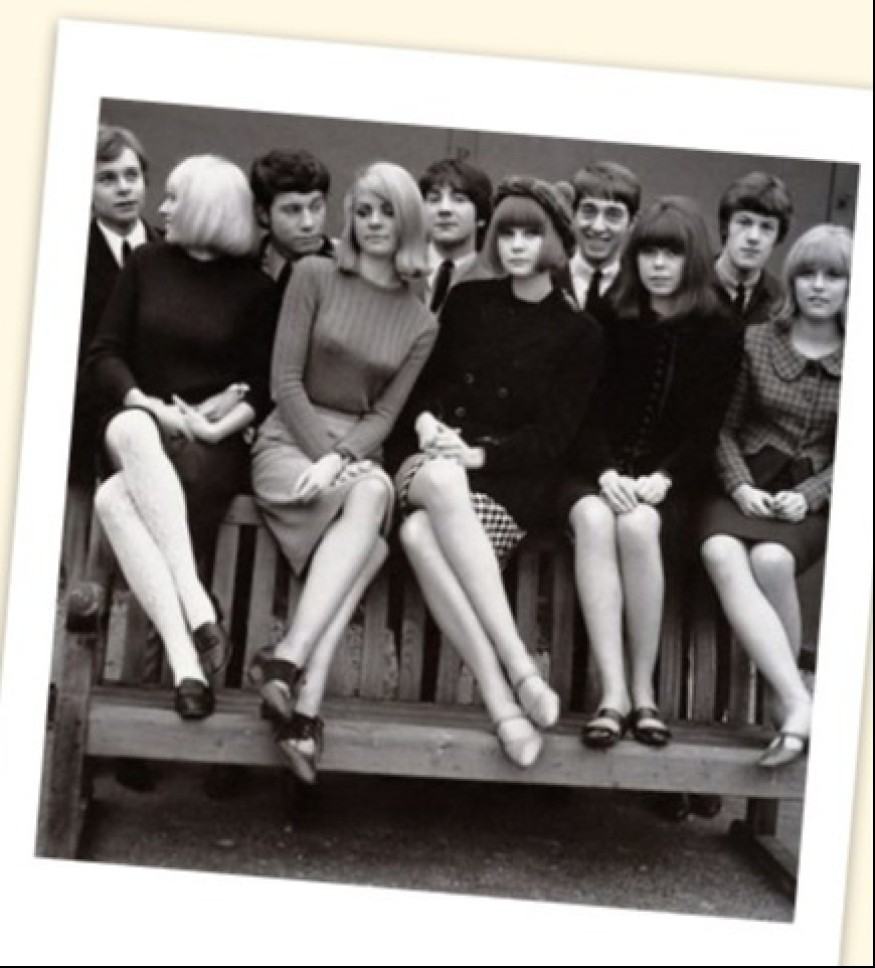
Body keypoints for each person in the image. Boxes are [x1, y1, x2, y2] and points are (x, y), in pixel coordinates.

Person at [389, 176, 604, 768]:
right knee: (440, 482)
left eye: (530, 234)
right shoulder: (468, 302)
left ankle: (502, 705)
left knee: (418, 534)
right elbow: (421, 389)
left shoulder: (580, 333)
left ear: (555, 242)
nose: (516, 245)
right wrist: (429, 426)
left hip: (506, 481)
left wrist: (481, 455)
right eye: (507, 233)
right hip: (432, 463)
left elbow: (555, 437)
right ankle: (519, 666)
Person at [248, 161, 438, 784]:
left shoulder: (421, 320)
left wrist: (341, 458)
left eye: (387, 212)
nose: (373, 222)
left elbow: (385, 413)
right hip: (288, 442)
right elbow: (284, 382)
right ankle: (301, 706)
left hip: (354, 456)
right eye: (363, 211)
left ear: (408, 222)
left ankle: (289, 667)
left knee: (373, 494)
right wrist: (322, 454)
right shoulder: (314, 275)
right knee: (369, 547)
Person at [85, 154, 278, 720]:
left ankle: (188, 668)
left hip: (206, 443)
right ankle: (198, 607)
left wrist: (210, 423)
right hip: (140, 425)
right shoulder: (146, 264)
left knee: (111, 499)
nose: (161, 208)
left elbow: (262, 385)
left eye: (174, 197)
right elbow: (104, 354)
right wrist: (147, 404)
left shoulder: (255, 288)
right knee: (129, 426)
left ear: (207, 208)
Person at [560, 196, 742, 750]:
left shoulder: (720, 330)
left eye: (672, 253)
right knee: (596, 518)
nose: (658, 265)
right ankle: (613, 694)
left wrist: (665, 478)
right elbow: (582, 411)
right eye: (648, 253)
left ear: (694, 259)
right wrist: (605, 472)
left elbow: (706, 429)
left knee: (639, 525)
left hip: (670, 484)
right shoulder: (608, 317)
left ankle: (644, 691)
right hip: (593, 472)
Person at [699, 224, 850, 768]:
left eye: (834, 275)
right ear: (792, 280)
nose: (818, 286)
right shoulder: (758, 340)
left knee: (771, 559)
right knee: (720, 550)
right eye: (808, 273)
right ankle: (797, 703)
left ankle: (782, 706)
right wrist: (739, 485)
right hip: (742, 483)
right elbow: (722, 427)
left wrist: (810, 495)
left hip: (810, 498)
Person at [64, 126, 158, 575]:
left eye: (131, 175)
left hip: (151, 417)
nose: (124, 188)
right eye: (107, 178)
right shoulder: (69, 254)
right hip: (83, 423)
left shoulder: (168, 252)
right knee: (81, 569)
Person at [558, 160, 641, 317]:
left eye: (613, 215)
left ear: (632, 223)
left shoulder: (642, 290)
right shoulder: (546, 282)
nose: (598, 227)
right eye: (589, 211)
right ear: (571, 214)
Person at [249, 148, 335, 293]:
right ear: (263, 214)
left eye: (316, 207)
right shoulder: (241, 272)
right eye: (293, 210)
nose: (308, 223)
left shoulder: (351, 270)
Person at [714, 171, 794, 325]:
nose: (754, 237)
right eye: (744, 223)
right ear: (725, 227)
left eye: (766, 227)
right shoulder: (690, 287)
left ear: (778, 237)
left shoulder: (783, 304)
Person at [418, 157, 494, 314]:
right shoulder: (398, 275)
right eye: (434, 199)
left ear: (481, 217)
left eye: (459, 200)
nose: (444, 209)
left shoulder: (494, 286)